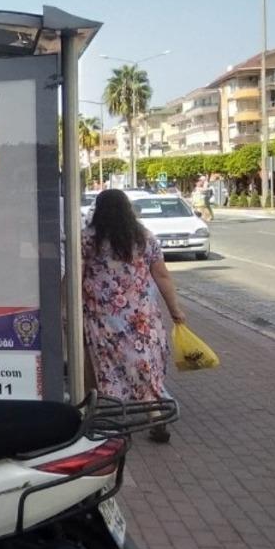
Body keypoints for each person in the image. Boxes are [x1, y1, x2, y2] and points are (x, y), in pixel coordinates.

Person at [82, 189, 185, 443]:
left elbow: (75, 276)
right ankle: (154, 413)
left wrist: (63, 305)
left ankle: (104, 415)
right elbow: (162, 275)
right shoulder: (144, 238)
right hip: (141, 318)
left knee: (102, 365)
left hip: (101, 318)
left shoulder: (88, 240)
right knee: (142, 364)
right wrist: (175, 310)